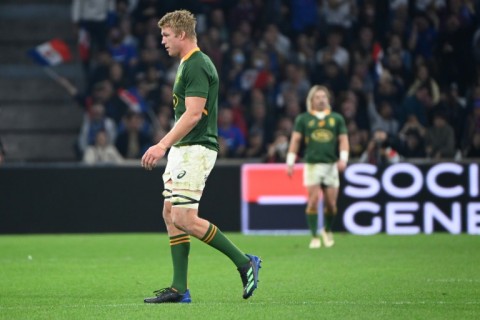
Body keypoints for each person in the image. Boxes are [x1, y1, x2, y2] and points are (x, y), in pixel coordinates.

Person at [140, 10, 261, 304]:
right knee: (170, 214)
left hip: (196, 149)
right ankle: (179, 289)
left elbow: (194, 114)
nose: (162, 40)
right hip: (184, 149)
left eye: (166, 35)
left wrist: (162, 144)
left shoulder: (197, 64)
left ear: (181, 34)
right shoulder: (187, 64)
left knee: (184, 216)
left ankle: (245, 262)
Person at [286, 85, 349, 249]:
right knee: (313, 201)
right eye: (318, 97)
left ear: (328, 99)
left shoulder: (337, 118)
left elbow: (343, 140)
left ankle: (327, 230)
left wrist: (343, 159)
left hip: (331, 165)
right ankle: (314, 236)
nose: (321, 100)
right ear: (311, 100)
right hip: (312, 164)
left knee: (331, 205)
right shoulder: (304, 119)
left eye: (324, 97)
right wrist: (290, 161)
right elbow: (296, 140)